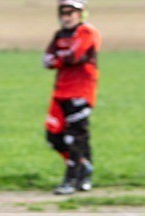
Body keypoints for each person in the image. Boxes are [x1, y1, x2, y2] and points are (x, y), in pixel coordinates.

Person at [42, 0, 101, 195]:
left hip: (81, 91)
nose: (66, 16)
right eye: (63, 12)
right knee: (53, 136)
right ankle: (84, 167)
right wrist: (60, 58)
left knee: (75, 136)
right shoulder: (59, 35)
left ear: (80, 14)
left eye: (71, 12)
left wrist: (59, 57)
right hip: (60, 91)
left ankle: (73, 177)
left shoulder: (87, 32)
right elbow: (47, 60)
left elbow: (73, 56)